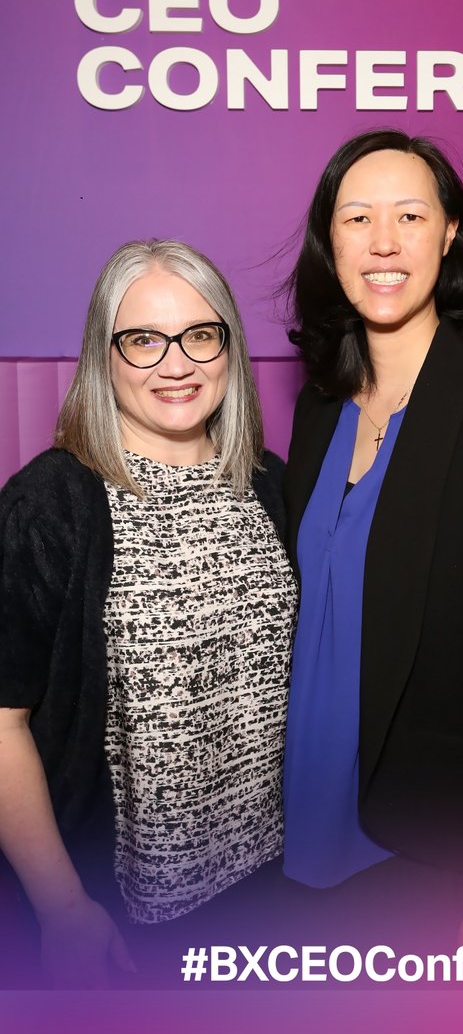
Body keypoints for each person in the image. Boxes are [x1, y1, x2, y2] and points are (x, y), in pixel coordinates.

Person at [281, 129, 463, 948]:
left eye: (410, 215)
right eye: (357, 218)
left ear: (450, 235)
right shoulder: (317, 408)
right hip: (297, 820)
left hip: (422, 850)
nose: (383, 243)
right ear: (330, 242)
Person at [0, 239, 296, 986]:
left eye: (201, 334)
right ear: (105, 357)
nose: (177, 363)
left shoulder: (269, 486)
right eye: (144, 340)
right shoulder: (51, 504)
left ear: (229, 346)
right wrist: (62, 908)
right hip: (121, 920)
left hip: (274, 888)